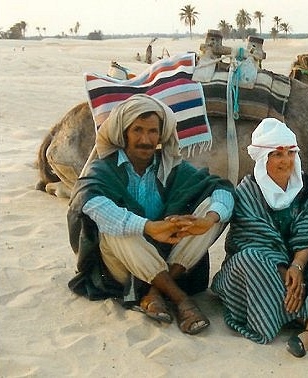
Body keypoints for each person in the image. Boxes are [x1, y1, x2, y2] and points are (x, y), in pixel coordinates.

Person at [67, 94, 234, 335]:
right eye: (137, 130)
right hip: (122, 265)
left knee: (214, 209)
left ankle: (154, 293)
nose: (145, 140)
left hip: (167, 256)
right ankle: (179, 299)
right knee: (115, 225)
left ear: (161, 134)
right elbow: (91, 202)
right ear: (124, 133)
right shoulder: (102, 169)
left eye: (152, 131)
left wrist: (207, 220)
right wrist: (148, 227)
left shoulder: (170, 167)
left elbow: (221, 190)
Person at [211, 118, 308, 357]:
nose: (286, 161)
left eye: (290, 153)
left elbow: (307, 234)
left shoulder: (307, 189)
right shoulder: (246, 192)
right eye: (277, 155)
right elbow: (255, 240)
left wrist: (298, 267)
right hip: (261, 268)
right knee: (250, 257)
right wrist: (290, 275)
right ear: (264, 158)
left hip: (297, 264)